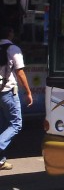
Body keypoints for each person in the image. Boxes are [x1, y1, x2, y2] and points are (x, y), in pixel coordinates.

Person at [0, 26, 33, 170]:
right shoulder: (13, 49)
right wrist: (28, 92)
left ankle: (1, 161)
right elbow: (20, 73)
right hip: (8, 92)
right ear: (10, 33)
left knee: (2, 124)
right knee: (16, 124)